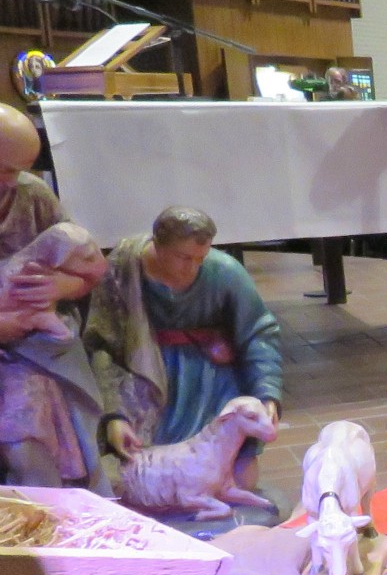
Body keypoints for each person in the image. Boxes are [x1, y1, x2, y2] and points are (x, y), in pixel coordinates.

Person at [87, 206, 283, 494]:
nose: (192, 268)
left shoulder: (225, 272)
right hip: (145, 380)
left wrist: (267, 393)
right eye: (184, 257)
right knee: (144, 479)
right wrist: (114, 415)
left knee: (240, 478)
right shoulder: (123, 270)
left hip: (211, 382)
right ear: (158, 245)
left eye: (200, 259)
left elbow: (258, 334)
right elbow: (100, 345)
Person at [0, 104, 104, 487]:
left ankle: (50, 525)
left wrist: (64, 286)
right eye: (6, 169)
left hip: (32, 349)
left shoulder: (33, 194)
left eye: (21, 169)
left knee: (30, 441)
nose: (14, 182)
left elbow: (87, 265)